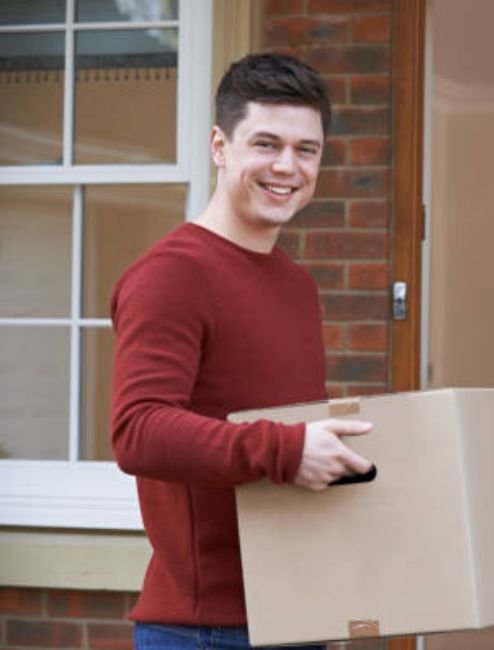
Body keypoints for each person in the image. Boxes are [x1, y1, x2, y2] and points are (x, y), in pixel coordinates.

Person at [110, 53, 374, 650]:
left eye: (307, 150)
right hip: (207, 631)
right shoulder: (172, 275)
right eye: (266, 143)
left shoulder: (296, 284)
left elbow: (289, 441)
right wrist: (284, 449)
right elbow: (138, 430)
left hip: (294, 611)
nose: (287, 166)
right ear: (219, 146)